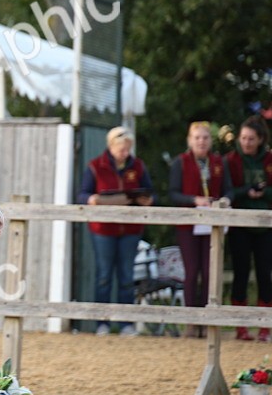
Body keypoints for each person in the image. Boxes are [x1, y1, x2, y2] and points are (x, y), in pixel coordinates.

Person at [79, 126, 154, 337]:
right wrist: (92, 199)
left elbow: (151, 193)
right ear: (111, 147)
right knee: (104, 275)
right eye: (121, 148)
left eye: (128, 148)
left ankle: (125, 323)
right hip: (103, 229)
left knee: (126, 276)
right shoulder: (95, 166)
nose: (125, 153)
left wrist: (147, 200)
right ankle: (101, 323)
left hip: (130, 228)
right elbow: (82, 194)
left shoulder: (138, 166)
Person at [224, 115, 272, 342]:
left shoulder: (271, 161)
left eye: (251, 139)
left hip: (266, 225)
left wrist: (264, 192)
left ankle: (264, 326)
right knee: (240, 273)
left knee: (264, 274)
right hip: (240, 225)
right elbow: (227, 191)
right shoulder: (230, 160)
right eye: (243, 138)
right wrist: (245, 191)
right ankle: (240, 326)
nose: (246, 143)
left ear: (260, 139)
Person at [167, 121, 231, 335]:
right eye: (197, 138)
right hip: (189, 223)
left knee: (209, 270)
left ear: (211, 141)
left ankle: (207, 319)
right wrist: (194, 200)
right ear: (190, 140)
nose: (201, 141)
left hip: (211, 223)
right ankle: (191, 320)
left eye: (205, 138)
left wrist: (223, 201)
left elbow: (229, 190)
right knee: (192, 270)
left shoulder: (218, 162)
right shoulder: (181, 163)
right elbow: (173, 193)